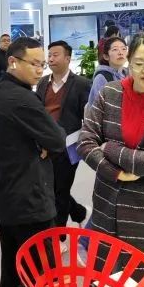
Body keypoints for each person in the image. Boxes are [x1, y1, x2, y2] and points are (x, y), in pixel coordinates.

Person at [77, 31, 144, 277]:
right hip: (106, 207)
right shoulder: (109, 94)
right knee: (104, 285)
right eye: (139, 63)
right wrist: (115, 172)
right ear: (129, 62)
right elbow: (85, 142)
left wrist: (109, 148)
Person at [0, 37, 66, 287]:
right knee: (39, 276)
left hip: (7, 198)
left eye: (43, 64)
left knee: (13, 272)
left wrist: (42, 142)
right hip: (29, 201)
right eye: (34, 64)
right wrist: (45, 142)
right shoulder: (21, 98)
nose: (40, 70)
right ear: (13, 62)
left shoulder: (0, 92)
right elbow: (57, 138)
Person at [35, 40, 88, 228]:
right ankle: (79, 212)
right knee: (49, 188)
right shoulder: (42, 83)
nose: (51, 59)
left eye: (55, 55)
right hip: (45, 146)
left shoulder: (81, 84)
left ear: (68, 58)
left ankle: (59, 233)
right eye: (49, 55)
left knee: (61, 191)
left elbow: (87, 117)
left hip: (68, 147)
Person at [88, 34, 127, 105]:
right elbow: (95, 106)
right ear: (106, 56)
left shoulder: (127, 74)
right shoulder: (101, 78)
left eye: (123, 49)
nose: (120, 53)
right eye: (115, 49)